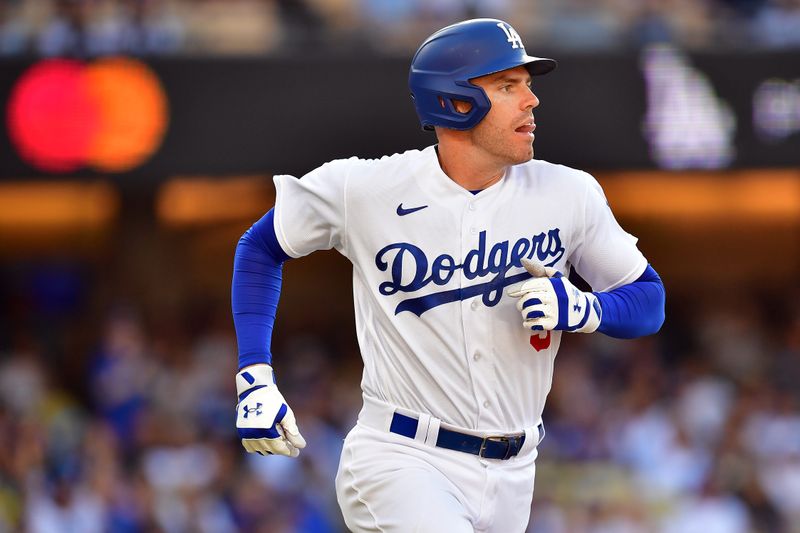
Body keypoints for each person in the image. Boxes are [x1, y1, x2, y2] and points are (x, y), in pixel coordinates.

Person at [231, 18, 666, 532]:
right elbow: (260, 247)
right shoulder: (365, 188)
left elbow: (648, 300)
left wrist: (585, 308)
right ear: (455, 101)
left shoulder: (568, 193)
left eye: (527, 84)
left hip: (515, 471)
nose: (532, 100)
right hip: (401, 457)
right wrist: (254, 375)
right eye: (508, 86)